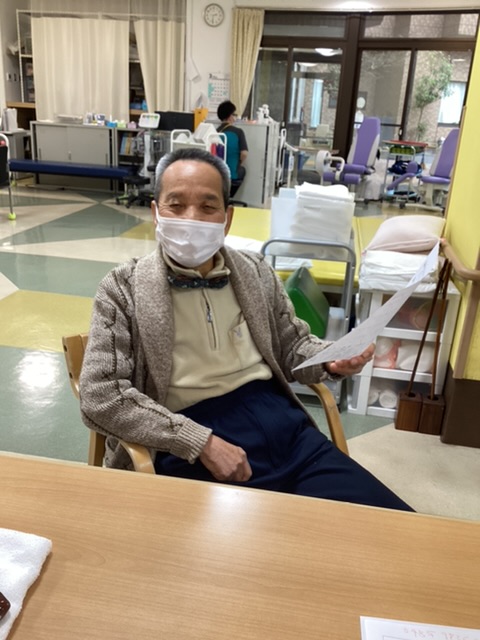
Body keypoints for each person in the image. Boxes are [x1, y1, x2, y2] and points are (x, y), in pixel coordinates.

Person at [79, 147, 412, 511]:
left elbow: (293, 346)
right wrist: (198, 442)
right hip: (184, 437)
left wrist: (330, 360)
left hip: (281, 422)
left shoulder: (254, 272)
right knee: (248, 544)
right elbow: (101, 395)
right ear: (156, 212)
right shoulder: (123, 288)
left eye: (208, 206)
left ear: (228, 218)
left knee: (389, 525)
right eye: (176, 205)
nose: (192, 218)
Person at [216, 100, 248, 197]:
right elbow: (244, 154)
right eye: (234, 115)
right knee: (242, 170)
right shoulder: (238, 132)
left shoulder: (215, 132)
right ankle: (229, 196)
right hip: (232, 173)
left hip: (217, 173)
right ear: (230, 116)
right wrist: (239, 163)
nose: (235, 117)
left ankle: (224, 195)